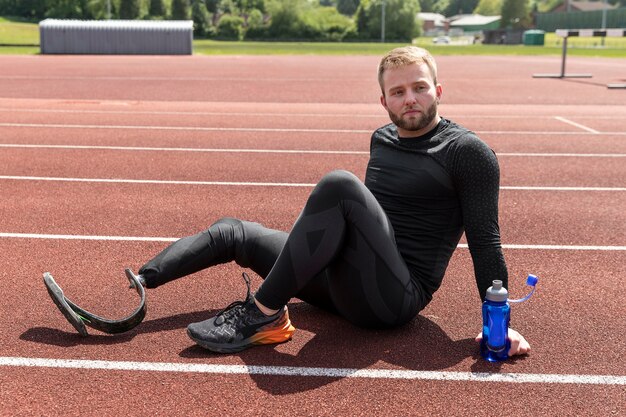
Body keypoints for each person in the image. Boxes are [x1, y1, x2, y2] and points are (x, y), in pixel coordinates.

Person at [132, 46, 530, 356]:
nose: (410, 98)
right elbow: (364, 225)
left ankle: (263, 314)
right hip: (344, 283)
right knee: (236, 232)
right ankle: (143, 281)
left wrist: (500, 322)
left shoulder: (467, 152)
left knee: (340, 184)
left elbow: (486, 240)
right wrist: (146, 280)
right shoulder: (383, 139)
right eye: (398, 91)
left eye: (419, 87)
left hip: (393, 299)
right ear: (384, 102)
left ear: (438, 91)